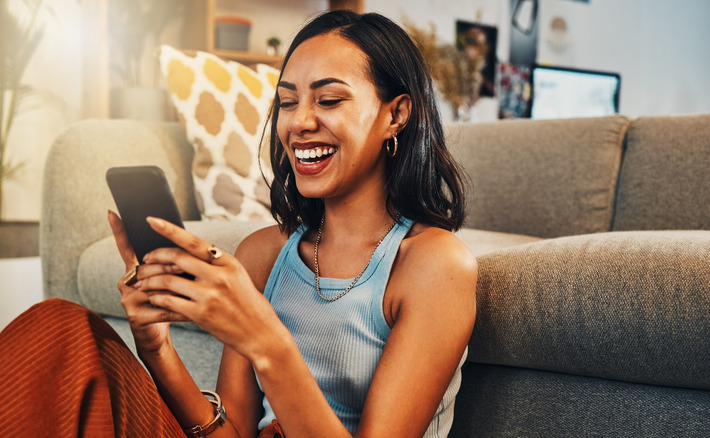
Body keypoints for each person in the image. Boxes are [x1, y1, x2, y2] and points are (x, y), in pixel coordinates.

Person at [0, 10, 476, 438]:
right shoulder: (265, 254)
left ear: (396, 114)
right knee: (61, 329)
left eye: (329, 100)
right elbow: (228, 433)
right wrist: (156, 348)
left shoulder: (433, 266)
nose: (299, 123)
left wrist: (264, 338)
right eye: (288, 103)